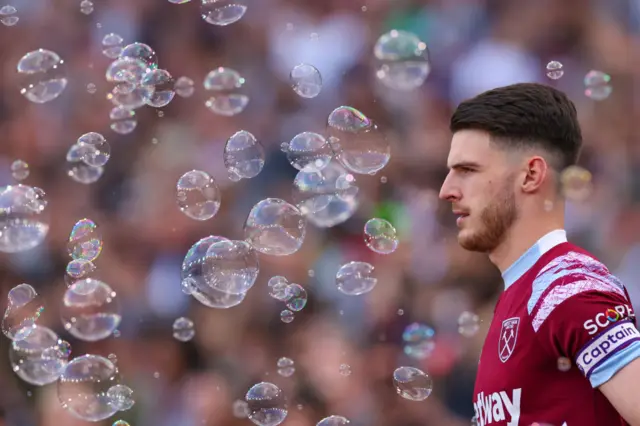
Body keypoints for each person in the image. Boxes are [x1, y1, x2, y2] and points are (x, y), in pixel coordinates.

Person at [439, 83, 640, 426]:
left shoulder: (568, 287)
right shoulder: (523, 293)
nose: (447, 190)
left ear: (531, 175)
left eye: (468, 170)